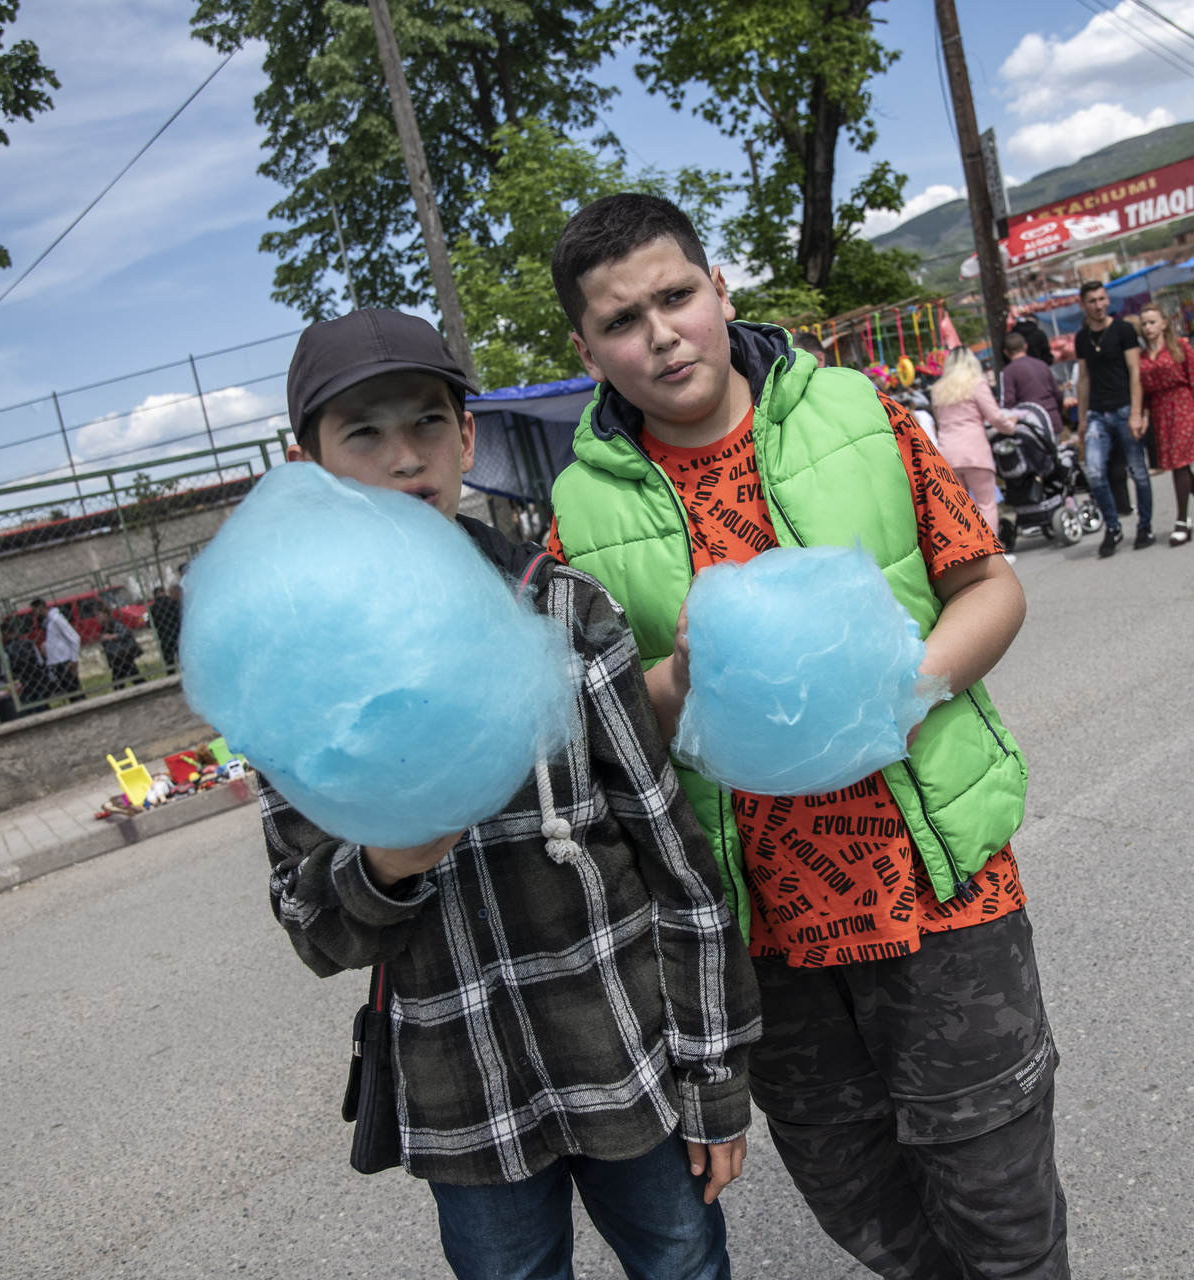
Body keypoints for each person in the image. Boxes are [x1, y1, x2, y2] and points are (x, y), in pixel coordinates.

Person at [543, 193, 1068, 1279]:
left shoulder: (858, 415)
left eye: (677, 296)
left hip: (938, 891)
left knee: (1003, 1218)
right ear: (586, 351)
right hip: (762, 938)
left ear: (720, 288)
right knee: (867, 1211)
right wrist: (678, 677)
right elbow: (593, 730)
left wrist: (900, 692)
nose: (662, 334)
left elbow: (990, 587)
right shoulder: (577, 518)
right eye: (623, 320)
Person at [266, 308, 760, 1280]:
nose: (404, 457)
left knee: (684, 1262)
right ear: (307, 466)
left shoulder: (564, 612)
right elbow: (310, 923)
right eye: (362, 433)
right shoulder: (291, 674)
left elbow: (676, 858)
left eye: (428, 422)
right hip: (467, 1097)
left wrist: (713, 1071)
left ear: (468, 437)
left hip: (627, 1060)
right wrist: (386, 863)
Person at [1071, 280, 1153, 556]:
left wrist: (1136, 412)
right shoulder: (1082, 338)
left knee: (1137, 471)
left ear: (1107, 300)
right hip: (1096, 413)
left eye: (1101, 299)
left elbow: (1135, 372)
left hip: (1124, 408)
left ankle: (1145, 526)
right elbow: (1083, 379)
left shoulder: (1123, 330)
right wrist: (1082, 420)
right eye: (1092, 301)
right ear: (1083, 305)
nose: (1098, 305)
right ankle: (1113, 526)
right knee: (1094, 472)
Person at [1136, 303, 1194, 544]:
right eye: (1144, 323)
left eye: (1152, 322)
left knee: (1181, 462)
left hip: (1182, 405)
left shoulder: (1179, 347)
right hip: (1161, 411)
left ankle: (1182, 521)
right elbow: (1146, 393)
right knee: (1179, 464)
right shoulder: (1143, 356)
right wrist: (1145, 416)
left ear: (1163, 323)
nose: (1148, 327)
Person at [928, 346, 1017, 551]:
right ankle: (992, 553)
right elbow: (994, 417)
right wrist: (1011, 427)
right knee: (986, 505)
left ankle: (968, 553)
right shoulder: (976, 384)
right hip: (974, 451)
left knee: (960, 510)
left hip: (948, 453)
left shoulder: (938, 389)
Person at [999, 328, 1066, 430]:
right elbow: (1057, 394)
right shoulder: (1042, 365)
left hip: (1031, 424)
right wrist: (1057, 412)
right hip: (1052, 418)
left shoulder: (1008, 372)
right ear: (1025, 346)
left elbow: (1008, 401)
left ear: (1006, 352)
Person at [34, 598, 83, 702]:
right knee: (70, 694)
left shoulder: (56, 619)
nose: (34, 614)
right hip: (57, 663)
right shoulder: (49, 621)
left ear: (41, 608)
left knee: (75, 693)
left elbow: (75, 638)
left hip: (65, 662)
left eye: (35, 610)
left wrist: (73, 660)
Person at [91, 602, 146, 689]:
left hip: (122, 655)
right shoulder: (104, 627)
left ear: (105, 614)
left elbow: (125, 633)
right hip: (118, 657)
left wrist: (111, 637)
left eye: (98, 615)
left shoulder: (114, 624)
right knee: (132, 676)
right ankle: (143, 687)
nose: (97, 618)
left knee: (120, 680)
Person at [3, 618, 50, 712]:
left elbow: (6, 669)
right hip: (36, 676)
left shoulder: (5, 650)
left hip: (19, 679)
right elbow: (40, 661)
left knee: (27, 704)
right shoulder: (28, 643)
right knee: (41, 701)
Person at [149, 584, 182, 671]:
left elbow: (151, 623)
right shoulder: (172, 602)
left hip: (164, 635)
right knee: (181, 657)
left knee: (169, 660)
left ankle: (170, 672)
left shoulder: (153, 607)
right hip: (177, 633)